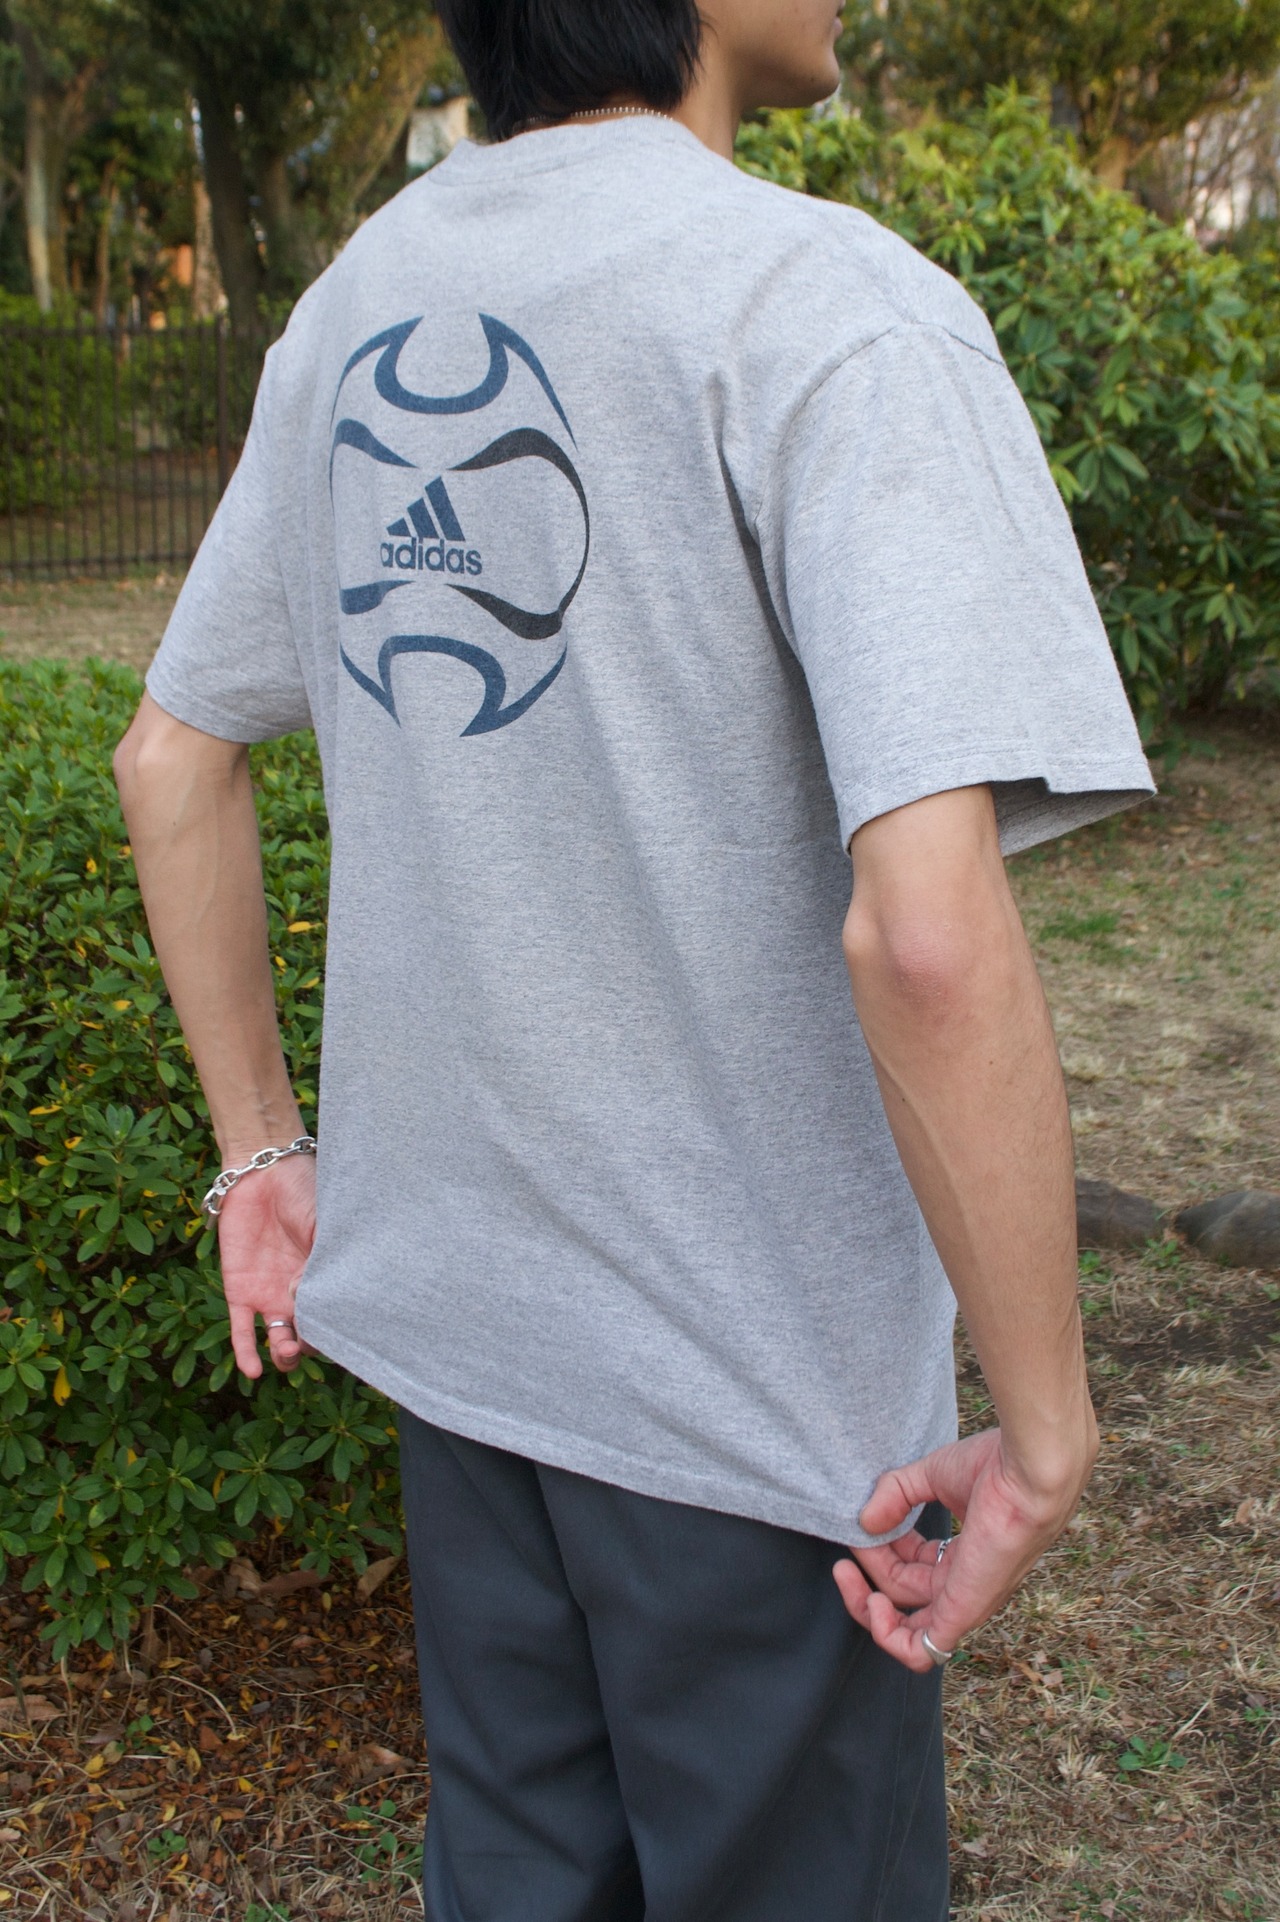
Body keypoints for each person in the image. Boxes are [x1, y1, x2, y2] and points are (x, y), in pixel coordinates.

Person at [114, 2, 1155, 1915]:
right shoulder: (826, 307)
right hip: (762, 1434)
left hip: (469, 1375)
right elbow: (929, 935)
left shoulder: (354, 307)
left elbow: (172, 758)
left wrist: (262, 1153)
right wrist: (1047, 1428)